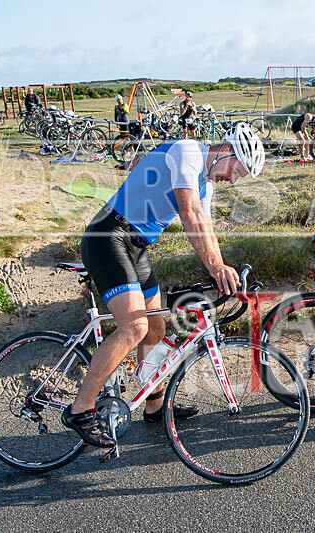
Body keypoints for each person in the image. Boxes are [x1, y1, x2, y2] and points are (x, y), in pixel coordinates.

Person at [62, 122, 266, 447]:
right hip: (108, 236)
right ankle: (81, 409)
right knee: (135, 327)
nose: (233, 179)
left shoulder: (206, 185)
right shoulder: (188, 153)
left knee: (156, 329)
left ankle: (154, 406)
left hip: (137, 246)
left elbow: (206, 228)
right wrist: (216, 268)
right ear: (226, 151)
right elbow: (188, 213)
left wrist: (221, 269)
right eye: (237, 171)